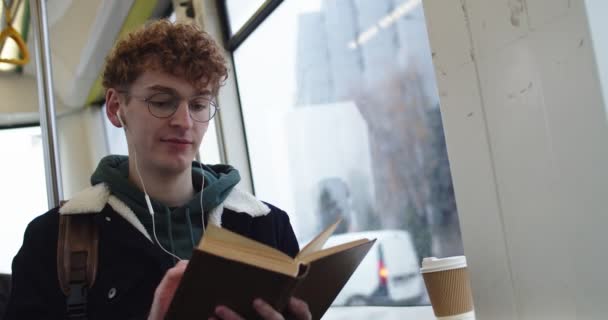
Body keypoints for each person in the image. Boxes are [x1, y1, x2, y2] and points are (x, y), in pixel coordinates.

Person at [4, 20, 311, 320]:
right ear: (115, 108)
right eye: (163, 102)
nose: (184, 121)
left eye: (199, 105)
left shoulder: (268, 228)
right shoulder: (52, 240)